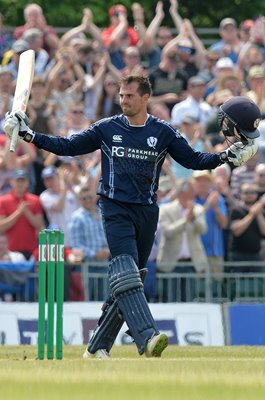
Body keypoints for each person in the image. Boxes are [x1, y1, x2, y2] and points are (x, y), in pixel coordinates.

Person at [3, 76, 260, 359]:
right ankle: (147, 336)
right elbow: (68, 146)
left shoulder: (163, 132)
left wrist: (225, 156)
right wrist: (30, 135)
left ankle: (97, 347)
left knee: (130, 280)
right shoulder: (107, 127)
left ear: (146, 97)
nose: (123, 100)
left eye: (129, 96)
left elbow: (194, 160)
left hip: (147, 211)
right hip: (115, 207)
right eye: (122, 96)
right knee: (125, 269)